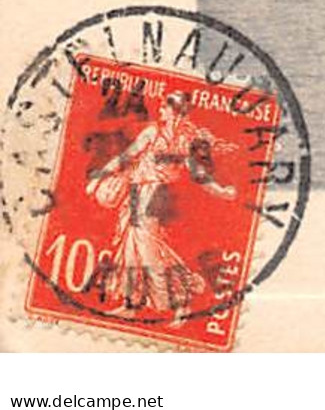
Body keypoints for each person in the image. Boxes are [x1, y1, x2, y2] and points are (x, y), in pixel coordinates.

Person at [83, 92, 239, 324]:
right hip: (137, 191)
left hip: (156, 194)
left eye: (165, 107)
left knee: (148, 249)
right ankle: (132, 304)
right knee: (132, 246)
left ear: (175, 111)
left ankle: (180, 301)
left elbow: (198, 174)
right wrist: (99, 176)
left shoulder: (185, 139)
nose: (161, 111)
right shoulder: (152, 132)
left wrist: (221, 191)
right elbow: (126, 157)